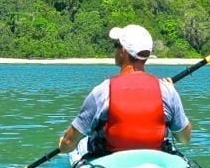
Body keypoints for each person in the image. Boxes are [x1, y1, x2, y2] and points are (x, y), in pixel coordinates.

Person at [58, 24, 192, 160]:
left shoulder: (102, 91)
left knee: (83, 141)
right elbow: (184, 138)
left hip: (111, 162)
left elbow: (68, 144)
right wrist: (173, 92)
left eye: (116, 45)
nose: (115, 50)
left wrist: (62, 144)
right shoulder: (168, 91)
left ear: (123, 51)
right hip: (154, 162)